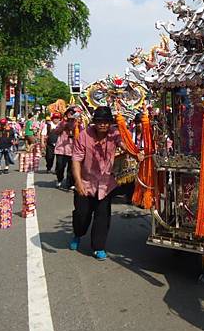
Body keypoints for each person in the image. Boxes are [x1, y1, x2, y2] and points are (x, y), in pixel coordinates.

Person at [69, 106, 140, 260]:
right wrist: (78, 181)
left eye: (106, 121)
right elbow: (76, 159)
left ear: (110, 123)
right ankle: (78, 234)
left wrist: (136, 154)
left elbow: (124, 145)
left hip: (106, 184)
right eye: (100, 121)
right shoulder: (84, 135)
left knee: (102, 217)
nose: (103, 125)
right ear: (95, 122)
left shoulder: (114, 133)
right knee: (82, 215)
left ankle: (98, 247)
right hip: (86, 182)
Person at [54, 107, 81, 189]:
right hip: (61, 149)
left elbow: (81, 132)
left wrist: (76, 122)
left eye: (72, 113)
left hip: (73, 149)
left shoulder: (78, 123)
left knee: (71, 168)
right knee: (60, 166)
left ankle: (70, 183)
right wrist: (64, 123)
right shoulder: (62, 122)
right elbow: (56, 131)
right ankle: (59, 179)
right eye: (69, 113)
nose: (71, 115)